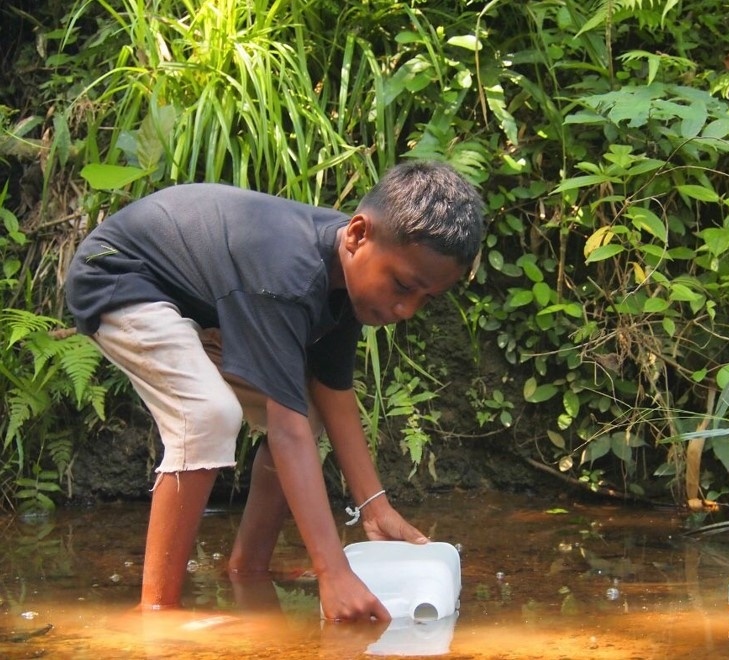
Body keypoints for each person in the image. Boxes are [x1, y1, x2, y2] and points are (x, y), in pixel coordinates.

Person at [64, 160, 486, 621]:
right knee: (208, 414)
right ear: (358, 235)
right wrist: (333, 571)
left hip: (203, 308)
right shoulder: (287, 275)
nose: (407, 310)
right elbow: (286, 433)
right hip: (119, 278)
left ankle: (248, 568)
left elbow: (333, 394)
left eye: (426, 298)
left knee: (310, 413)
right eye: (403, 286)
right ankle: (158, 607)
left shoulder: (344, 281)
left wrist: (374, 508)